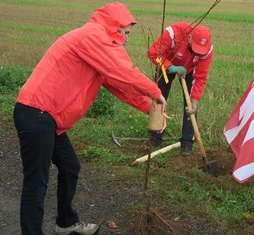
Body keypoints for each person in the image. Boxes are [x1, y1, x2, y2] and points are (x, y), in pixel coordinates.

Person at [13, 2, 167, 235]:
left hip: (49, 117)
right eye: (124, 32)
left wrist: (149, 107)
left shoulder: (98, 46)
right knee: (36, 182)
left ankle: (65, 223)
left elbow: (117, 85)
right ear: (113, 27)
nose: (126, 38)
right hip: (37, 112)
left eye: (128, 34)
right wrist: (155, 92)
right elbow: (123, 71)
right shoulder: (93, 36)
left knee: (70, 166)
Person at [147, 22, 214, 156]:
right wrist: (171, 67)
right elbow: (154, 53)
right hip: (167, 65)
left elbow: (200, 77)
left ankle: (187, 143)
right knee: (159, 97)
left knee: (191, 106)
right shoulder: (173, 34)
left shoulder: (208, 50)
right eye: (195, 48)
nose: (197, 52)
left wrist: (195, 99)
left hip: (189, 70)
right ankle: (155, 137)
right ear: (189, 38)